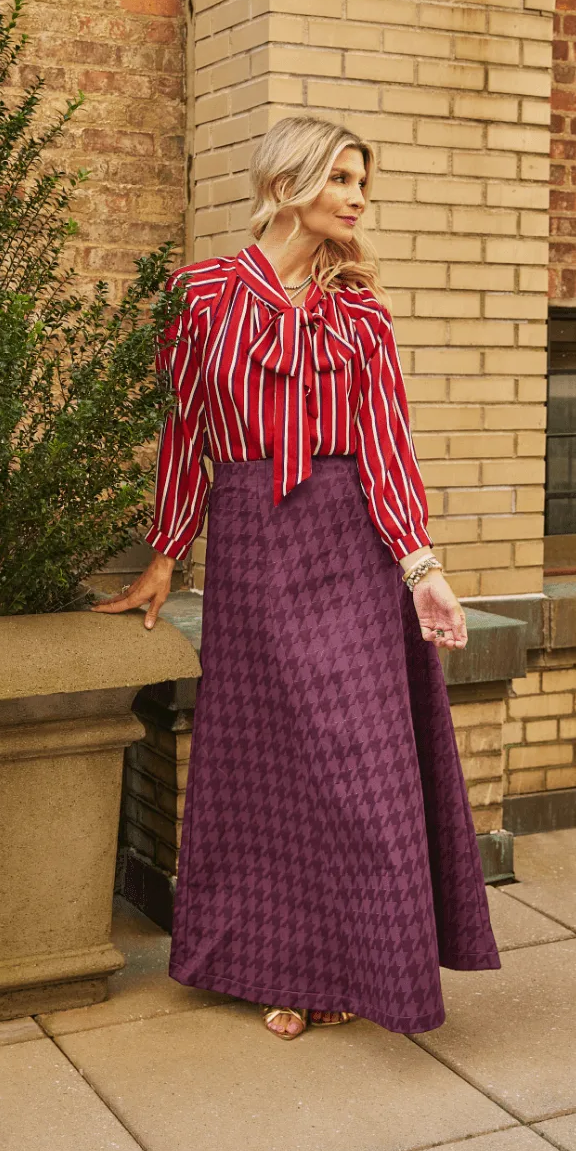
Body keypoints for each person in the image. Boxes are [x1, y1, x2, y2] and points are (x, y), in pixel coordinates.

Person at [94, 116, 500, 1038]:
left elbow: (387, 448)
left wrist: (422, 568)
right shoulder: (198, 297)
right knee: (272, 764)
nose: (359, 197)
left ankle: (364, 960)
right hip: (250, 545)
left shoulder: (360, 313)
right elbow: (185, 435)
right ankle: (287, 964)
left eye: (364, 182)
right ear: (291, 182)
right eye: (344, 178)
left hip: (350, 546)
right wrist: (167, 555)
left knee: (361, 762)